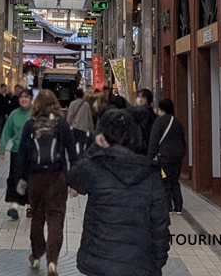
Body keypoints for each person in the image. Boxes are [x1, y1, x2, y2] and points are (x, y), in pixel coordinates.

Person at [67, 109, 171, 276]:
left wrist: (96, 147)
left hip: (99, 260)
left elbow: (72, 177)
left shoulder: (94, 167)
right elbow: (160, 223)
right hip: (139, 263)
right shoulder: (151, 173)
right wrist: (157, 260)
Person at [15, 90, 77, 276]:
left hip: (35, 178)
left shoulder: (30, 125)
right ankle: (52, 262)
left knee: (37, 217)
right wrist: (73, 181)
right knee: (56, 220)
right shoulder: (61, 124)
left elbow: (21, 156)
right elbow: (73, 153)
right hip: (57, 178)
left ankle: (36, 254)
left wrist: (21, 179)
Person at [148, 99, 187, 215]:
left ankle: (168, 207)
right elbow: (182, 140)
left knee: (165, 181)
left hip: (164, 156)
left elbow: (154, 140)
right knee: (175, 180)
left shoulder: (159, 122)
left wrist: (149, 157)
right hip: (177, 157)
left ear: (161, 108)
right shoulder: (177, 122)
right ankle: (178, 207)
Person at [0, 89, 33, 221]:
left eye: (26, 97)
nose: (24, 99)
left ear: (31, 99)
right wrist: (2, 149)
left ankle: (30, 204)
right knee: (15, 177)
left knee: (29, 178)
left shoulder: (35, 114)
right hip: (16, 152)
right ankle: (14, 206)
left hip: (31, 152)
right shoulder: (14, 114)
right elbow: (6, 132)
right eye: (21, 97)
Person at [66, 89, 93, 155]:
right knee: (82, 146)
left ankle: (74, 157)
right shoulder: (86, 105)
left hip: (75, 128)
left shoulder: (72, 104)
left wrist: (67, 126)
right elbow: (89, 117)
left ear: (75, 96)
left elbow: (69, 116)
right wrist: (91, 129)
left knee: (73, 145)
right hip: (83, 128)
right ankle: (81, 159)